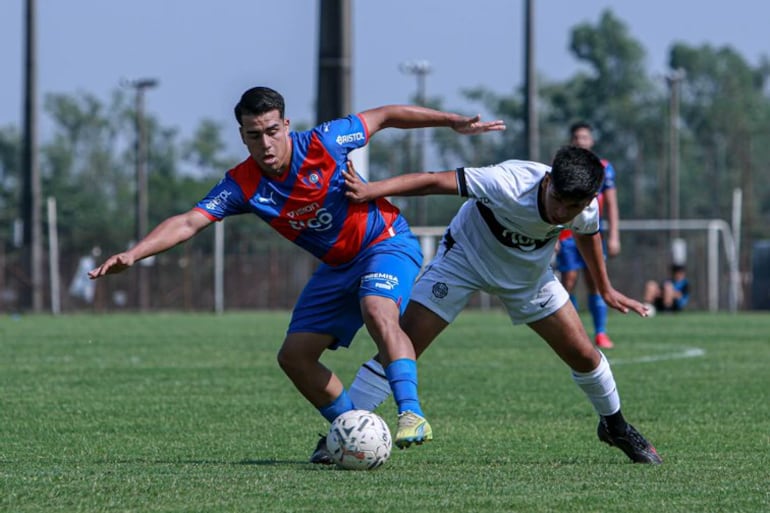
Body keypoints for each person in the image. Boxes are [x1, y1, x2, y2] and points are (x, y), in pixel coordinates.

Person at [87, 86, 506, 462]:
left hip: (385, 243)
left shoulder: (325, 141)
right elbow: (189, 221)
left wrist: (451, 121)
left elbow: (384, 116)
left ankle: (411, 412)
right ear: (242, 135)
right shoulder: (242, 185)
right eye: (254, 135)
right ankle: (350, 434)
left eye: (272, 131)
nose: (266, 143)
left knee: (377, 309)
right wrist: (136, 253)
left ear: (286, 125)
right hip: (337, 267)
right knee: (294, 357)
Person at [315, 146, 662, 465]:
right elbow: (433, 181)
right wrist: (371, 189)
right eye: (557, 199)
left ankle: (615, 427)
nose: (561, 212)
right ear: (547, 181)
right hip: (463, 262)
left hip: (529, 277)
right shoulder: (507, 182)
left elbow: (589, 235)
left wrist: (604, 288)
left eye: (571, 207)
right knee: (401, 347)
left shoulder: (584, 206)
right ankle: (342, 434)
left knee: (585, 355)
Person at [556, 122, 620, 349]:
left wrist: (614, 236)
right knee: (569, 281)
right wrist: (552, 236)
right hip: (566, 234)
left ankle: (600, 333)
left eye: (584, 137)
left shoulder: (603, 168)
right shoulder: (564, 168)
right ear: (571, 141)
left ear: (591, 141)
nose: (581, 141)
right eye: (576, 137)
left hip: (592, 232)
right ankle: (572, 332)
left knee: (595, 281)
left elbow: (611, 203)